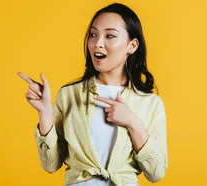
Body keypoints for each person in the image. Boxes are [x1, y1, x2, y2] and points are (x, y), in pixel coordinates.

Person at [17, 3, 168, 186]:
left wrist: (132, 122)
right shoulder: (69, 95)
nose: (98, 43)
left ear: (132, 45)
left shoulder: (150, 103)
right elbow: (50, 164)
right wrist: (45, 113)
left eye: (110, 36)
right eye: (93, 35)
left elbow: (156, 173)